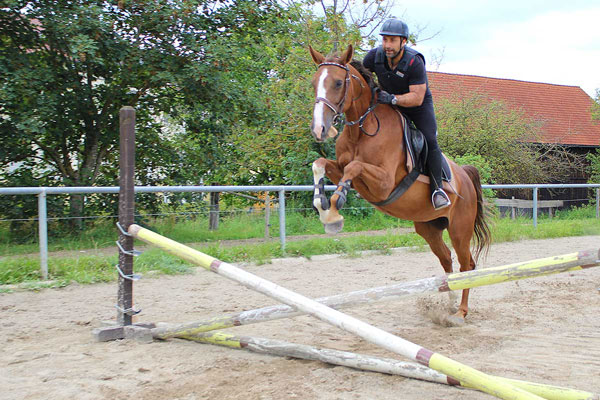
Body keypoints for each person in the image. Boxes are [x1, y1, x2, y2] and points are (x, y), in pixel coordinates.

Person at [362, 18, 451, 210]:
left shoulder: (414, 61)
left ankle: (438, 190)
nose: (387, 45)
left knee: (429, 138)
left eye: (392, 40)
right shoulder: (373, 57)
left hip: (418, 107)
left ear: (403, 41)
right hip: (389, 104)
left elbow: (417, 97)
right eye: (385, 40)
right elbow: (359, 80)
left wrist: (393, 99)